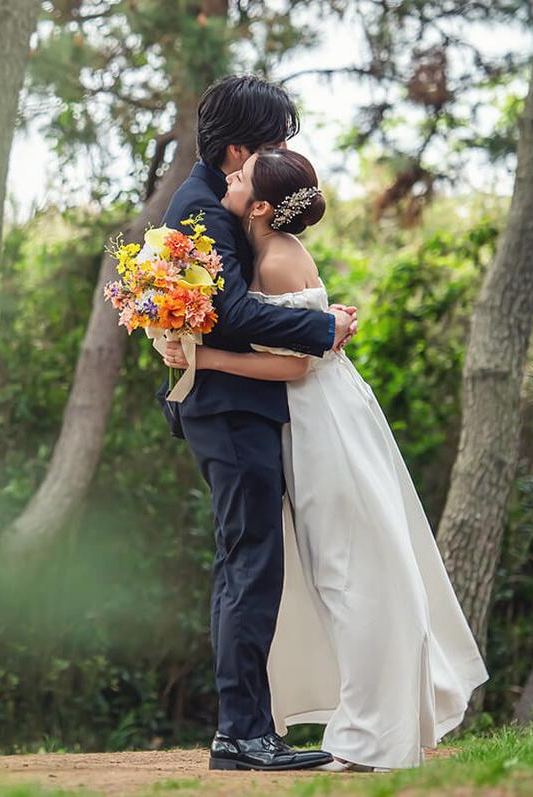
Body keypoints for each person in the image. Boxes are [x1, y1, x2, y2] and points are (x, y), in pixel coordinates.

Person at [162, 146, 488, 771]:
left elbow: (294, 363)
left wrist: (203, 359)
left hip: (323, 426)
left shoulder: (279, 258)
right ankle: (366, 726)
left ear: (258, 206)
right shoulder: (260, 250)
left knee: (350, 574)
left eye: (240, 177)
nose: (226, 178)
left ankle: (372, 736)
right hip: (304, 422)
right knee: (338, 573)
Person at [157, 75, 357, 772]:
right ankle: (244, 733)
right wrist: (319, 326)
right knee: (250, 566)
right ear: (238, 145)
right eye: (271, 142)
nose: (276, 155)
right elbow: (233, 314)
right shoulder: (206, 210)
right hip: (231, 410)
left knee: (242, 563)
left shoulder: (209, 199)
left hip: (230, 408)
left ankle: (240, 730)